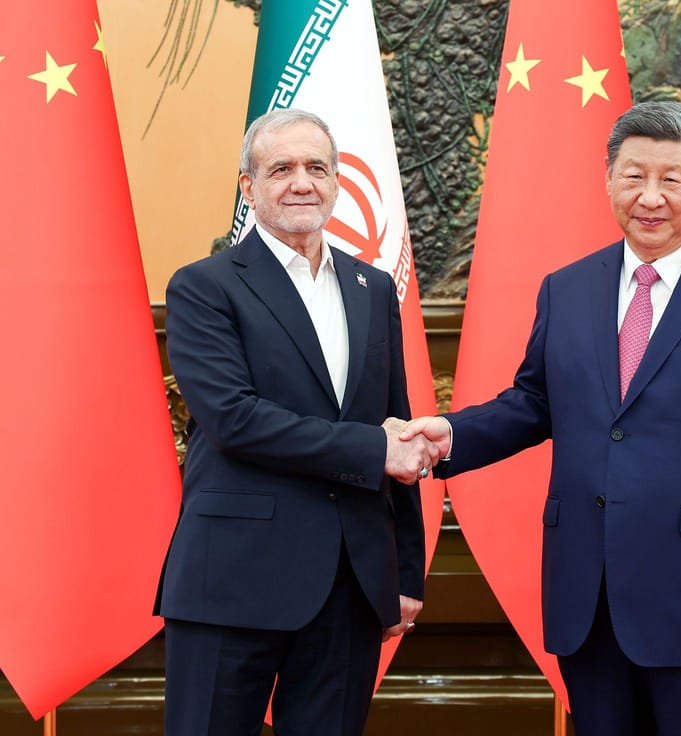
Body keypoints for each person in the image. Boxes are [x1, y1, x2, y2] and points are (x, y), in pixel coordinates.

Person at [402, 101, 681, 735]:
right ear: (608, 180)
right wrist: (453, 433)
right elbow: (536, 402)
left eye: (671, 179)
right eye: (633, 177)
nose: (650, 197)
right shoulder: (566, 288)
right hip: (587, 595)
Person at [155, 108, 438, 736]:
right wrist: (371, 447)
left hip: (350, 583)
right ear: (248, 187)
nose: (302, 183)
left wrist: (406, 571)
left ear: (339, 181)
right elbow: (234, 419)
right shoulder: (205, 287)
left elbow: (397, 427)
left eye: (317, 167)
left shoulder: (371, 287)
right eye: (280, 169)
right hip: (233, 579)